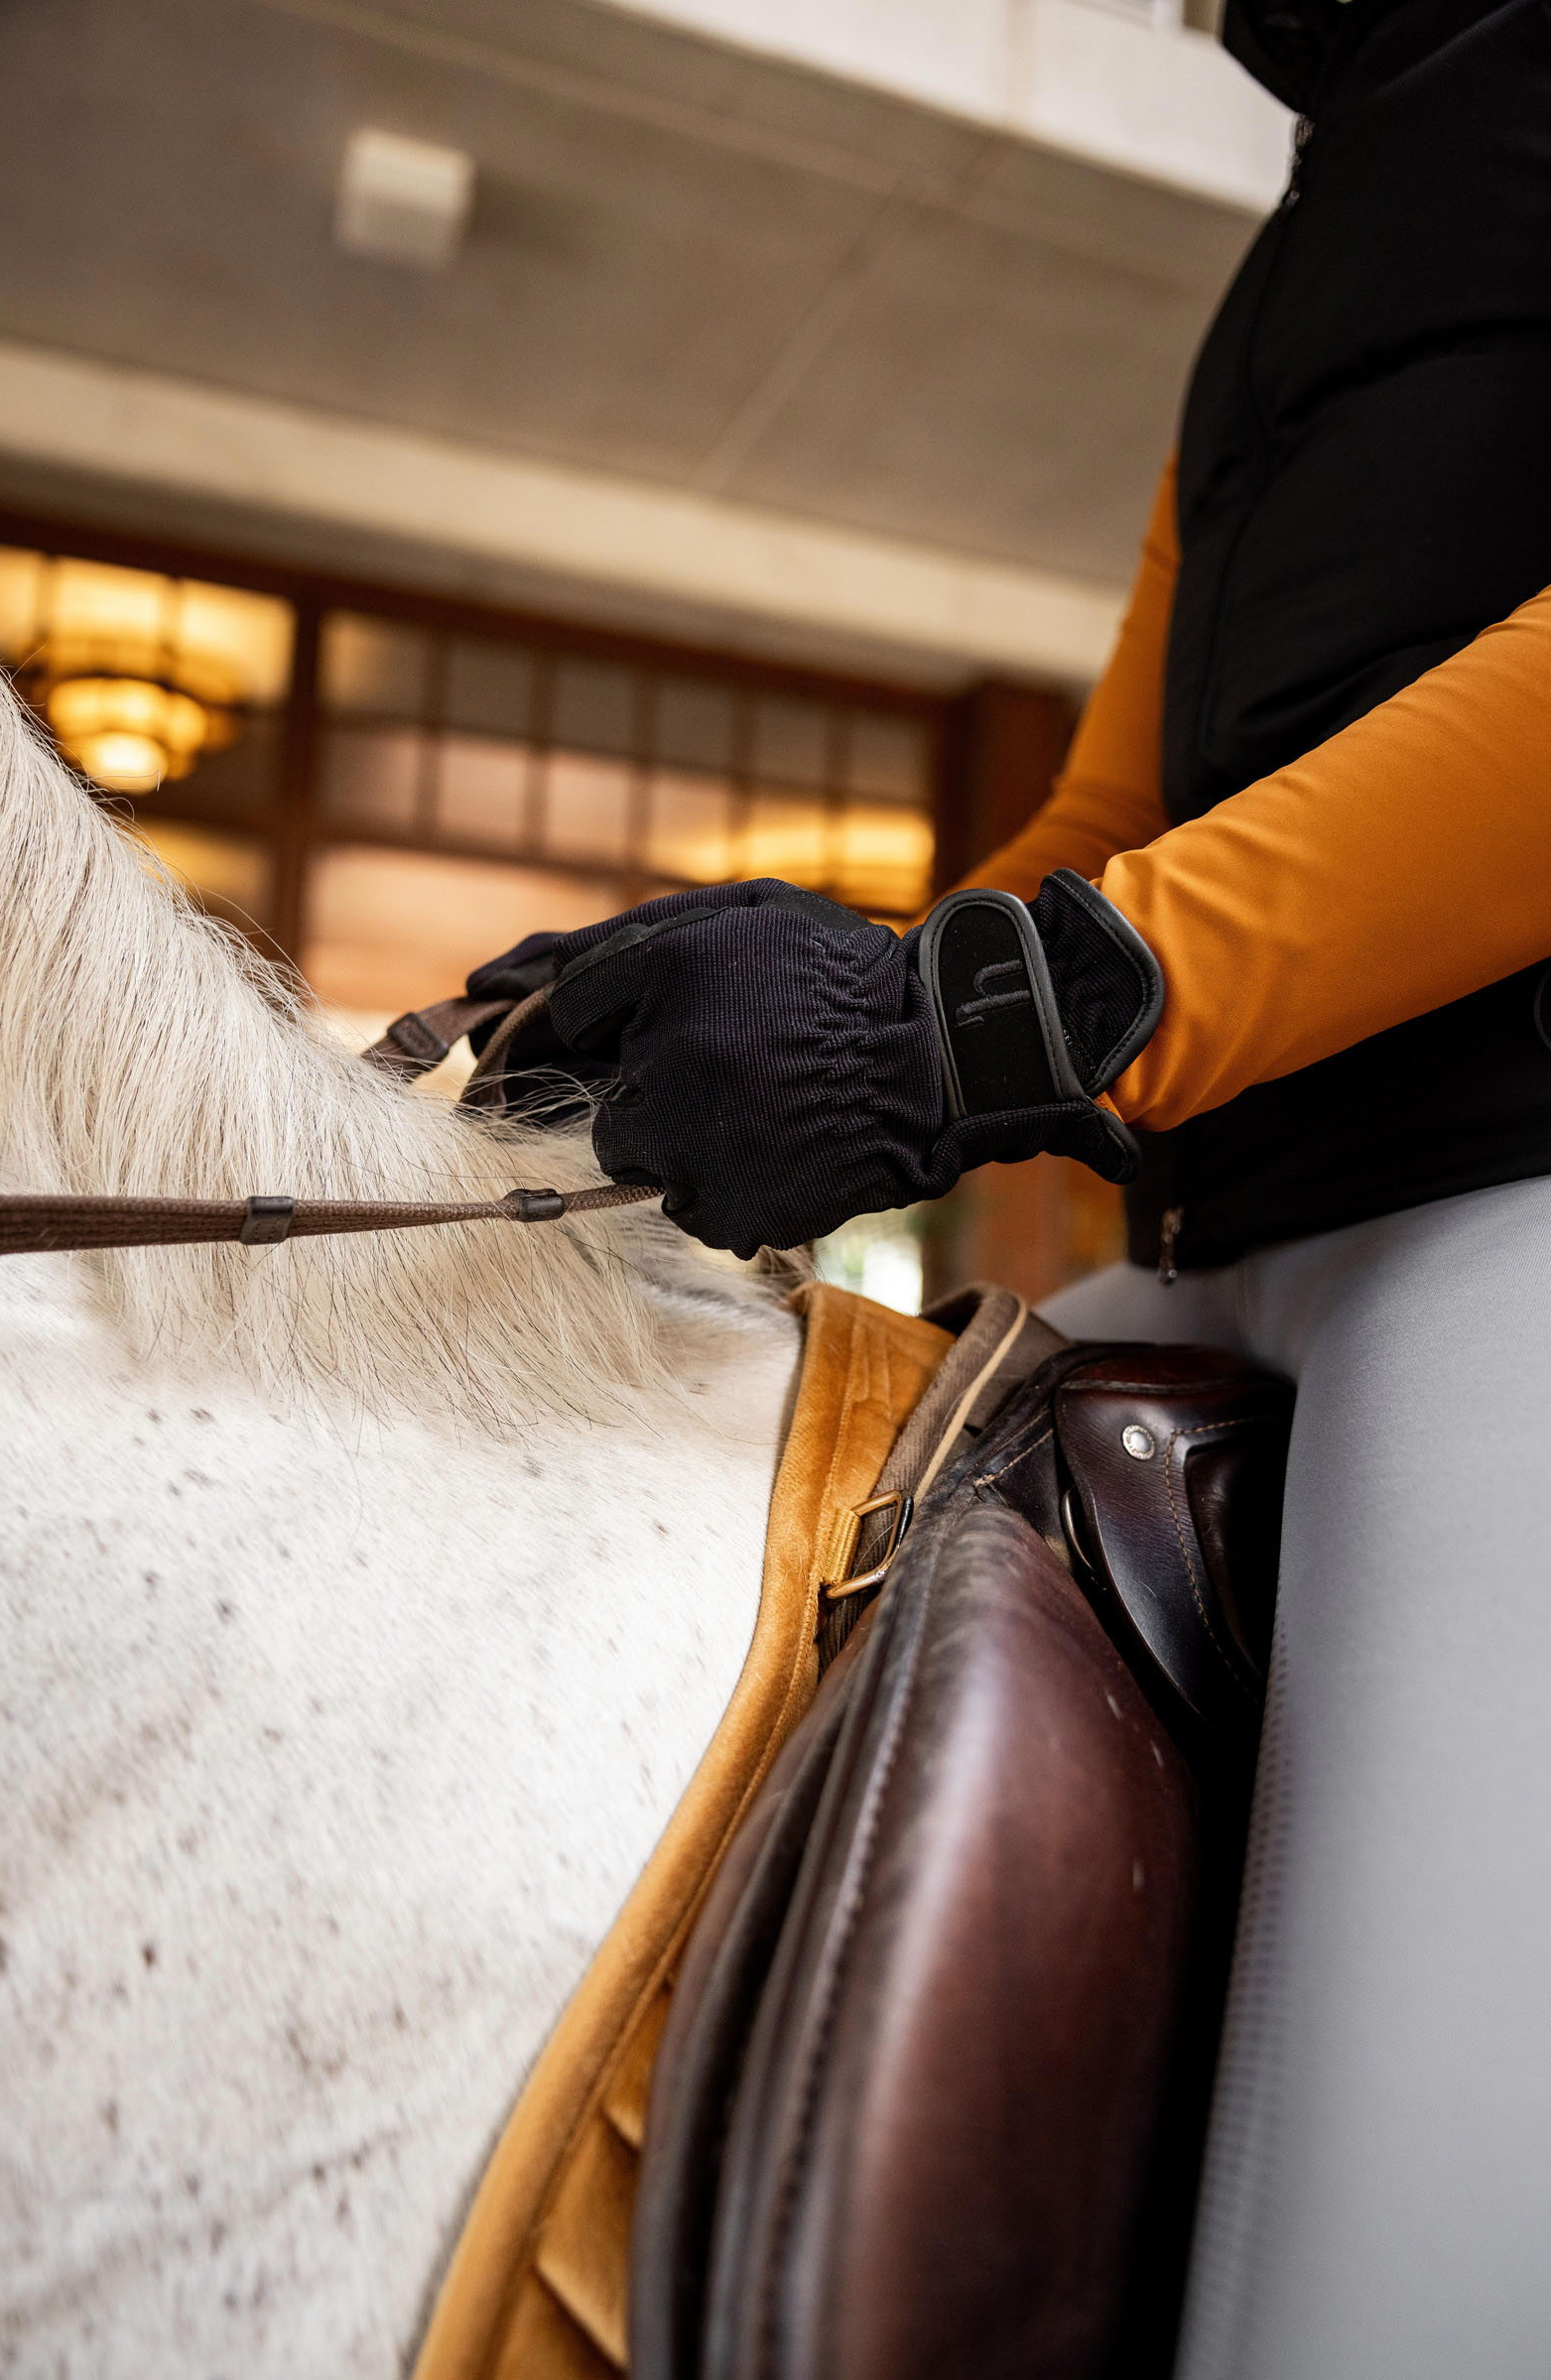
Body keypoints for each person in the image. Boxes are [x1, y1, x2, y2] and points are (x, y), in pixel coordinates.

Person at [469, 0, 1551, 2367]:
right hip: (1215, 1231)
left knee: (1382, 2261)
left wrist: (988, 1019)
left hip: (1515, 1220)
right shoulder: (1290, 255)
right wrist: (812, 983)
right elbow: (1109, 825)